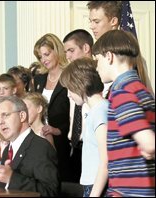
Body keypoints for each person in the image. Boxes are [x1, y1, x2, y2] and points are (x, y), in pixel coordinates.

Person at [92, 29, 155, 197]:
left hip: (128, 191)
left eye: (97, 60)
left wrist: (149, 146)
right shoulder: (142, 91)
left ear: (109, 56)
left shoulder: (122, 93)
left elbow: (149, 142)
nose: (96, 67)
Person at [60, 58, 108, 197]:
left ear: (80, 84)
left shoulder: (100, 111)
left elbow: (105, 159)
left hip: (98, 186)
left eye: (70, 89)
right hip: (92, 184)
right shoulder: (95, 111)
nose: (68, 94)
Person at [87, 1, 154, 95]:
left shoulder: (127, 56)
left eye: (96, 21)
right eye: (90, 21)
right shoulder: (98, 56)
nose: (91, 26)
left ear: (113, 21)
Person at [33, 33, 71, 183]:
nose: (44, 60)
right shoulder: (38, 78)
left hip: (63, 141)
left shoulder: (69, 76)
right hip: (39, 139)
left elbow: (75, 113)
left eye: (46, 54)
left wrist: (58, 130)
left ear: (57, 50)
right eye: (40, 57)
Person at [63, 29, 94, 183]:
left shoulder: (99, 74)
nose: (67, 56)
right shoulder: (70, 76)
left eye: (71, 50)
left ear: (86, 48)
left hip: (93, 146)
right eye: (66, 51)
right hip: (73, 148)